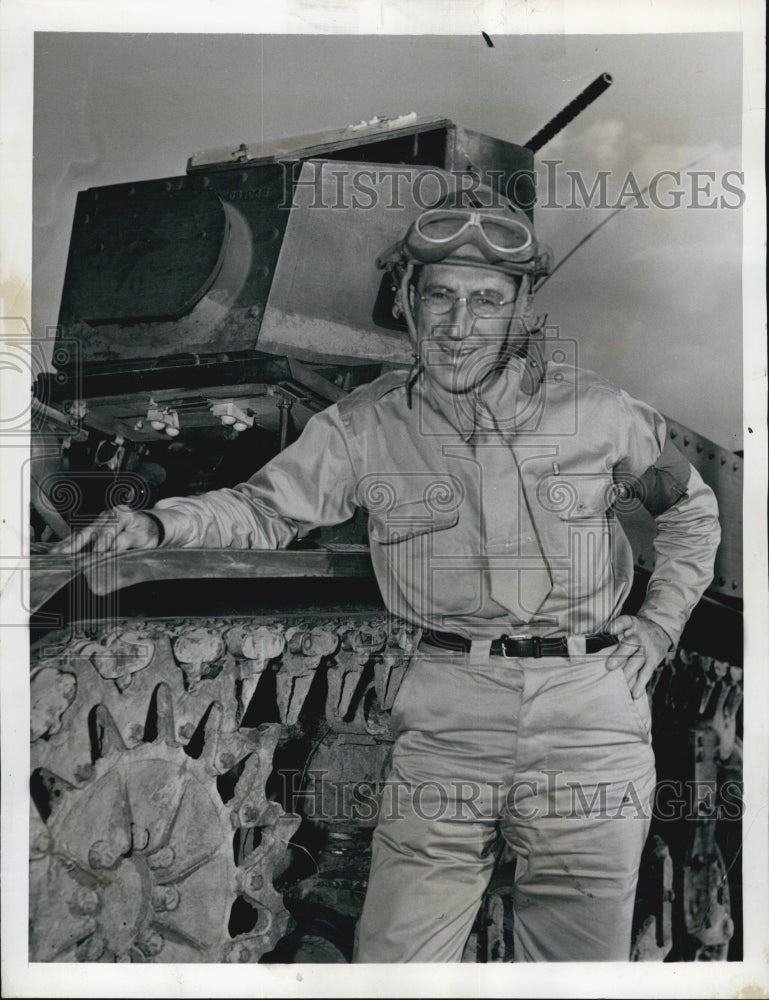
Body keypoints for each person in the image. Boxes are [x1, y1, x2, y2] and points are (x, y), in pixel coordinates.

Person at [53, 192, 720, 962]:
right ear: (405, 299)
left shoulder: (603, 415)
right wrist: (160, 525)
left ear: (519, 309)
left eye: (485, 301)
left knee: (575, 968)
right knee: (396, 964)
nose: (459, 324)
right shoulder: (360, 428)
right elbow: (263, 510)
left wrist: (661, 621)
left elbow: (689, 513)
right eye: (439, 296)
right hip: (445, 720)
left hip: (590, 720)